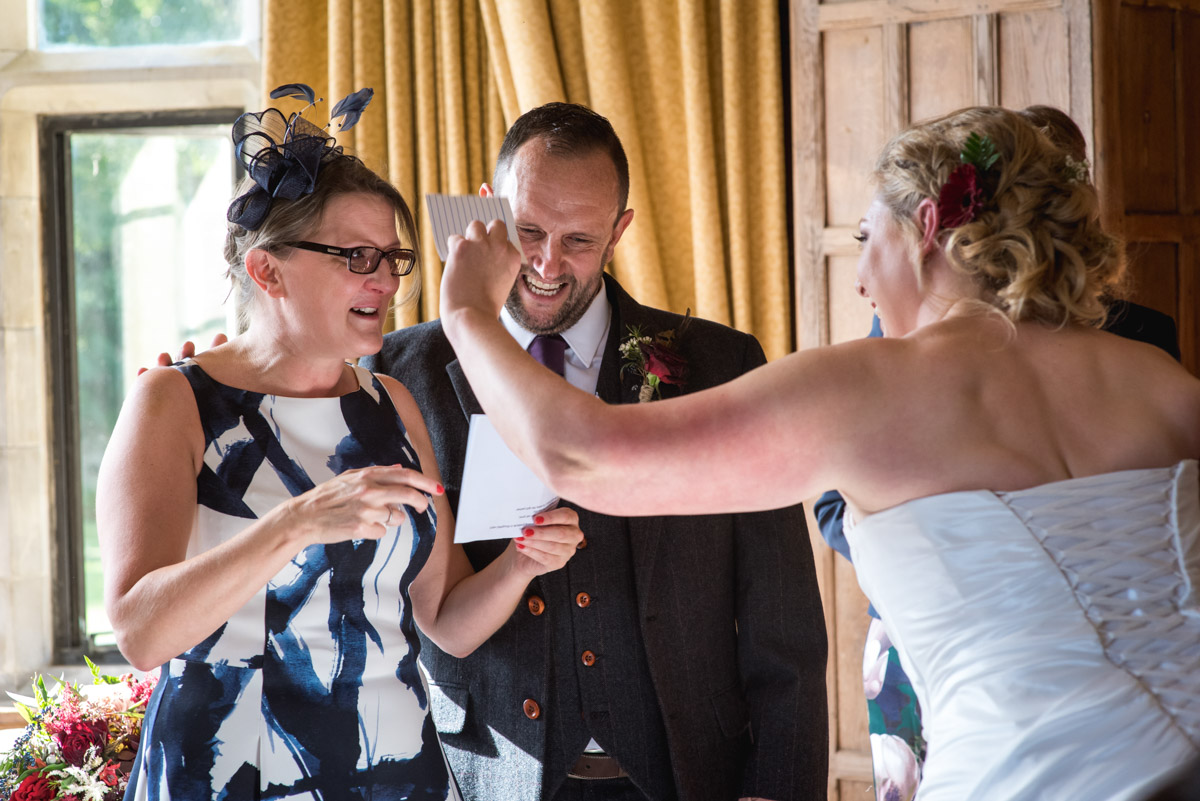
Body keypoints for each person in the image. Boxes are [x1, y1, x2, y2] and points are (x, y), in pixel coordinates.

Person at [436, 105, 1200, 800]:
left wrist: (467, 311)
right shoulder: (1163, 384)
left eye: (869, 239)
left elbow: (581, 459)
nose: (863, 278)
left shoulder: (871, 385)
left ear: (928, 223)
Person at [98, 89, 583, 800]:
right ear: (267, 270)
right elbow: (140, 632)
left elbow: (444, 619)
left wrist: (520, 563)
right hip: (231, 769)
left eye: (394, 257)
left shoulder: (393, 404)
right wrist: (300, 520)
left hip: (395, 773)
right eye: (358, 256)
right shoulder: (173, 399)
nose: (386, 281)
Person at [362, 103, 829, 801]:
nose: (547, 263)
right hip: (482, 773)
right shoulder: (399, 370)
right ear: (485, 211)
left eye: (578, 239)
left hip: (690, 773)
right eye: (528, 231)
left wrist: (777, 788)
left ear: (620, 231)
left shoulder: (719, 362)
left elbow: (782, 616)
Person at [811, 103, 1186, 801]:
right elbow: (834, 496)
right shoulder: (896, 334)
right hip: (921, 629)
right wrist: (934, 560)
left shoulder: (1144, 338)